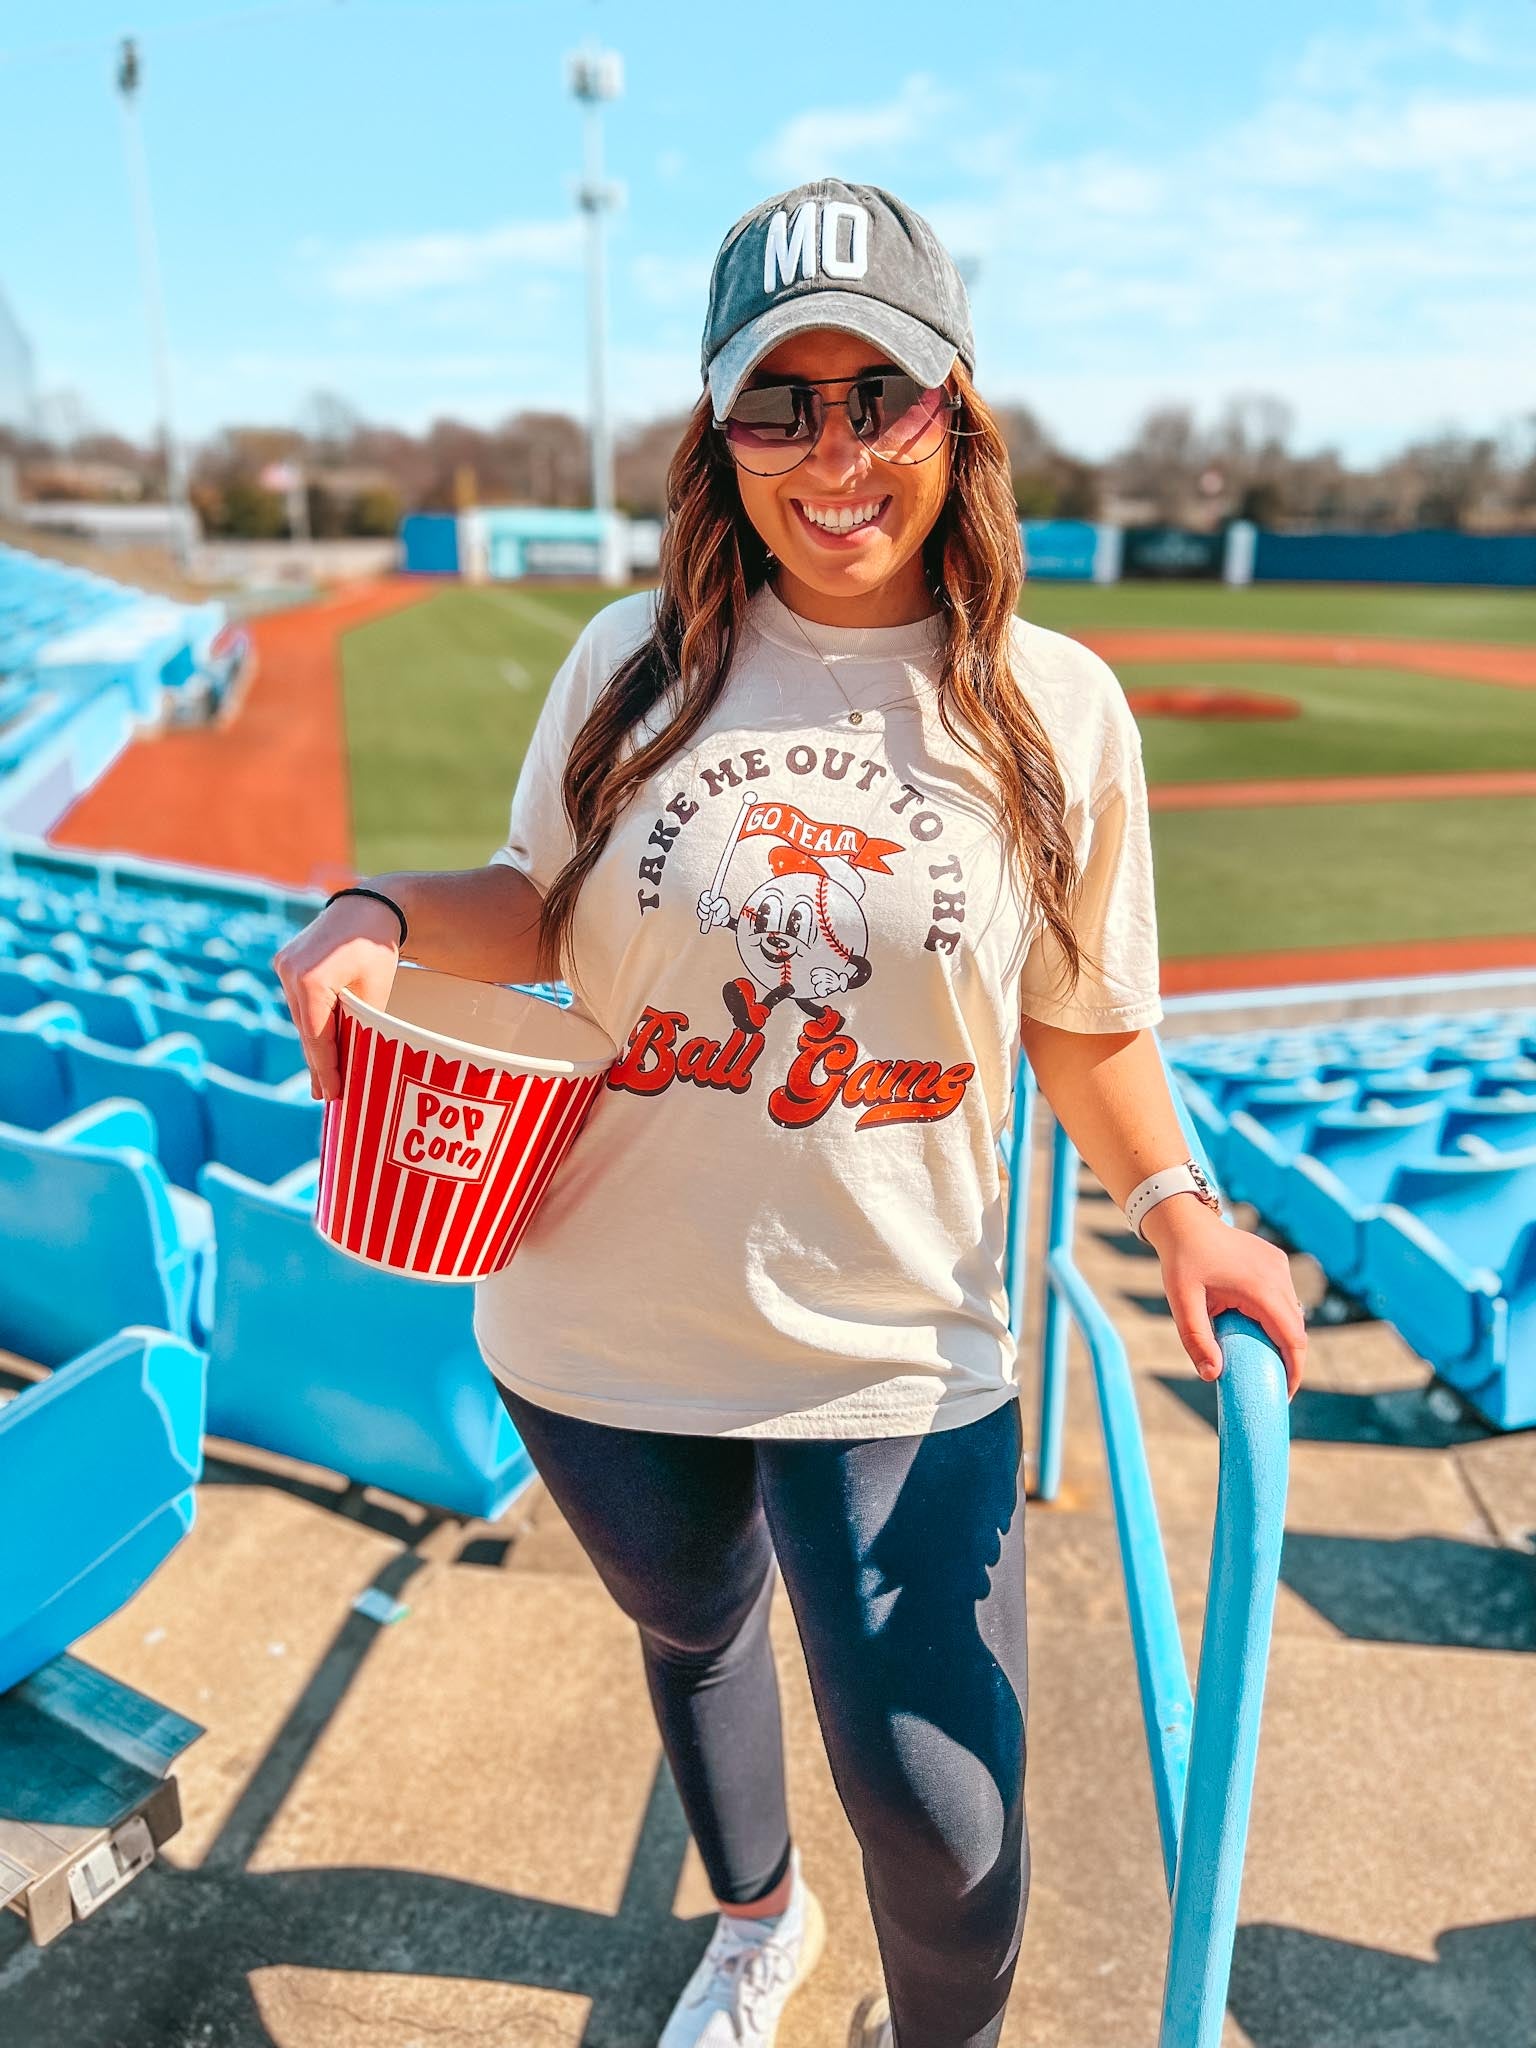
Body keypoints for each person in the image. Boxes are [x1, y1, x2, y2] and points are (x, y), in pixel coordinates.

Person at [275, 178, 1306, 2048]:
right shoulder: (631, 663)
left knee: (943, 1802)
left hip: (895, 1341)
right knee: (692, 1632)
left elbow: (1084, 1021)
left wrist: (1178, 1206)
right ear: (721, 434)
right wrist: (381, 909)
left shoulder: (1052, 708)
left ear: (954, 414)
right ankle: (755, 1926)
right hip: (596, 1324)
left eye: (877, 398)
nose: (831, 453)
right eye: (779, 406)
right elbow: (540, 897)